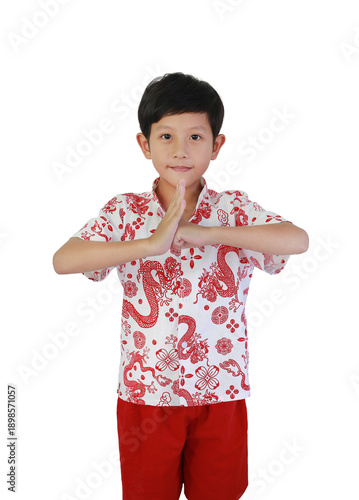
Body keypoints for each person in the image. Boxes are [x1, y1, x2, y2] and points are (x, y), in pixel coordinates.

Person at [53, 72, 309, 500]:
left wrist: (209, 233)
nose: (180, 150)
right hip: (146, 392)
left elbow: (296, 240)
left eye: (195, 136)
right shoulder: (125, 211)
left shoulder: (232, 209)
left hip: (221, 389)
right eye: (167, 136)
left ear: (217, 144)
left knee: (220, 492)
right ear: (144, 144)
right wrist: (151, 243)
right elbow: (65, 259)